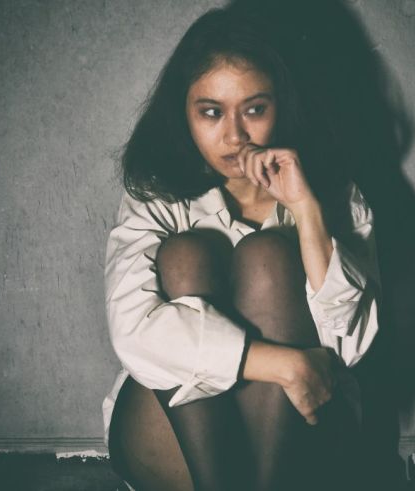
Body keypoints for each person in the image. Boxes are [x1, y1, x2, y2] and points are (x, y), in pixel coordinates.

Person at [102, 7, 380, 491]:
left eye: (254, 109)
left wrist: (306, 210)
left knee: (269, 258)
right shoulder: (158, 193)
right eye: (211, 111)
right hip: (178, 444)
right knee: (185, 255)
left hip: (298, 434)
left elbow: (348, 348)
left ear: (283, 105)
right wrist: (282, 365)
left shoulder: (330, 192)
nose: (234, 135)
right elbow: (133, 332)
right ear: (182, 112)